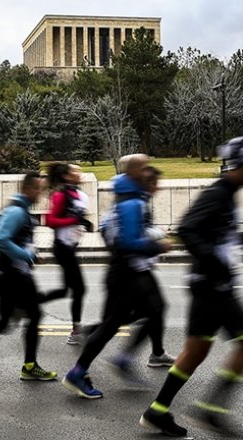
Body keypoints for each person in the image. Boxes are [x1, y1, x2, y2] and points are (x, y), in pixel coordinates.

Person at [139, 137, 243, 437]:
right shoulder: (217, 194)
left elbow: (225, 237)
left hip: (205, 285)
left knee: (195, 352)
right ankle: (212, 410)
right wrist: (214, 263)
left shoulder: (228, 194)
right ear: (239, 166)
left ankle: (157, 411)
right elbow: (187, 229)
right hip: (214, 287)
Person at [62, 155, 173, 399]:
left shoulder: (131, 197)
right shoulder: (131, 202)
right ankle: (80, 371)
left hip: (130, 271)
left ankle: (115, 361)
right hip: (127, 273)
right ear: (134, 171)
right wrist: (157, 246)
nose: (149, 172)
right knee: (116, 323)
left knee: (153, 311)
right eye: (144, 168)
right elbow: (127, 242)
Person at [0, 172, 57, 380]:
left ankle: (29, 365)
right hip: (11, 276)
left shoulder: (20, 210)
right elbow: (2, 240)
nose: (40, 193)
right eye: (37, 189)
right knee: (13, 321)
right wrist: (27, 255)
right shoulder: (16, 211)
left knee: (14, 321)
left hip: (17, 275)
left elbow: (15, 241)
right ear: (26, 189)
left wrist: (31, 255)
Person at [43, 163, 93, 344]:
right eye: (74, 171)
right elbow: (50, 220)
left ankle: (29, 304)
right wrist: (75, 220)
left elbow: (75, 218)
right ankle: (75, 332)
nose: (78, 173)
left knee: (65, 290)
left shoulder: (79, 195)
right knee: (79, 289)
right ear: (65, 176)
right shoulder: (61, 194)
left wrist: (83, 222)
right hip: (62, 248)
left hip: (70, 246)